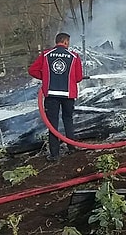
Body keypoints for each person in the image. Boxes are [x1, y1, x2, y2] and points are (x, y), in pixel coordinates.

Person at [28, 32, 84, 161]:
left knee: (52, 124)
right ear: (65, 42)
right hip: (68, 95)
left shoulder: (46, 54)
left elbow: (32, 70)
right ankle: (72, 147)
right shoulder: (74, 56)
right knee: (68, 120)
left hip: (51, 95)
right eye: (68, 42)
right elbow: (79, 77)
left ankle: (55, 154)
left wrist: (46, 77)